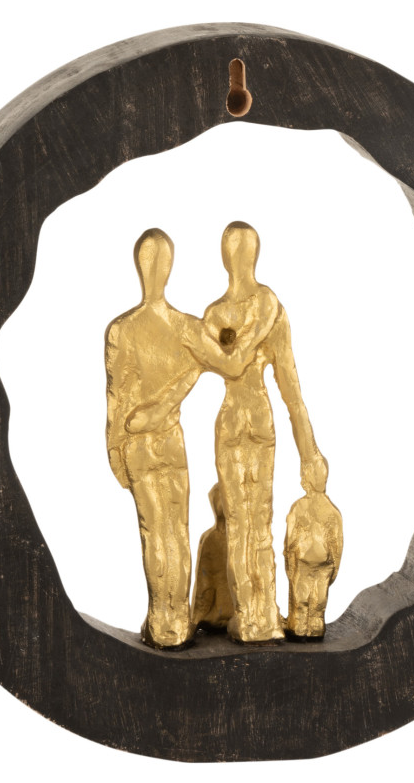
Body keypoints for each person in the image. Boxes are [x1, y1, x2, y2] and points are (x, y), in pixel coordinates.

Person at [104, 227, 275, 648]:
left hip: (143, 442)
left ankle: (166, 622)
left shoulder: (122, 330)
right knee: (173, 531)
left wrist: (115, 450)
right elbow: (231, 366)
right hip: (168, 441)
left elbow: (116, 402)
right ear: (167, 268)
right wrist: (200, 366)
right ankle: (174, 623)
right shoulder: (183, 327)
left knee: (157, 531)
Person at [203, 221, 328, 642]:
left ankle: (254, 617)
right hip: (256, 417)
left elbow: (289, 386)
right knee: (255, 522)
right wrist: (309, 449)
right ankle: (259, 616)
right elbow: (290, 390)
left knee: (245, 522)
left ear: (226, 258)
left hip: (236, 419)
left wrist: (310, 450)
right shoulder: (265, 306)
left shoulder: (216, 315)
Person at [283, 469, 343, 638]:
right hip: (319, 562)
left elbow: (291, 539)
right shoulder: (330, 510)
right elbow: (337, 545)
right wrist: (334, 568)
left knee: (306, 598)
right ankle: (310, 628)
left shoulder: (300, 507)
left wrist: (289, 562)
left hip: (307, 561)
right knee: (315, 598)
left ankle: (302, 628)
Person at [190, 482, 234, 632]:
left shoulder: (241, 538)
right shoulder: (211, 538)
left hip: (234, 616)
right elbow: (204, 583)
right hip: (215, 616)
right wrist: (196, 618)